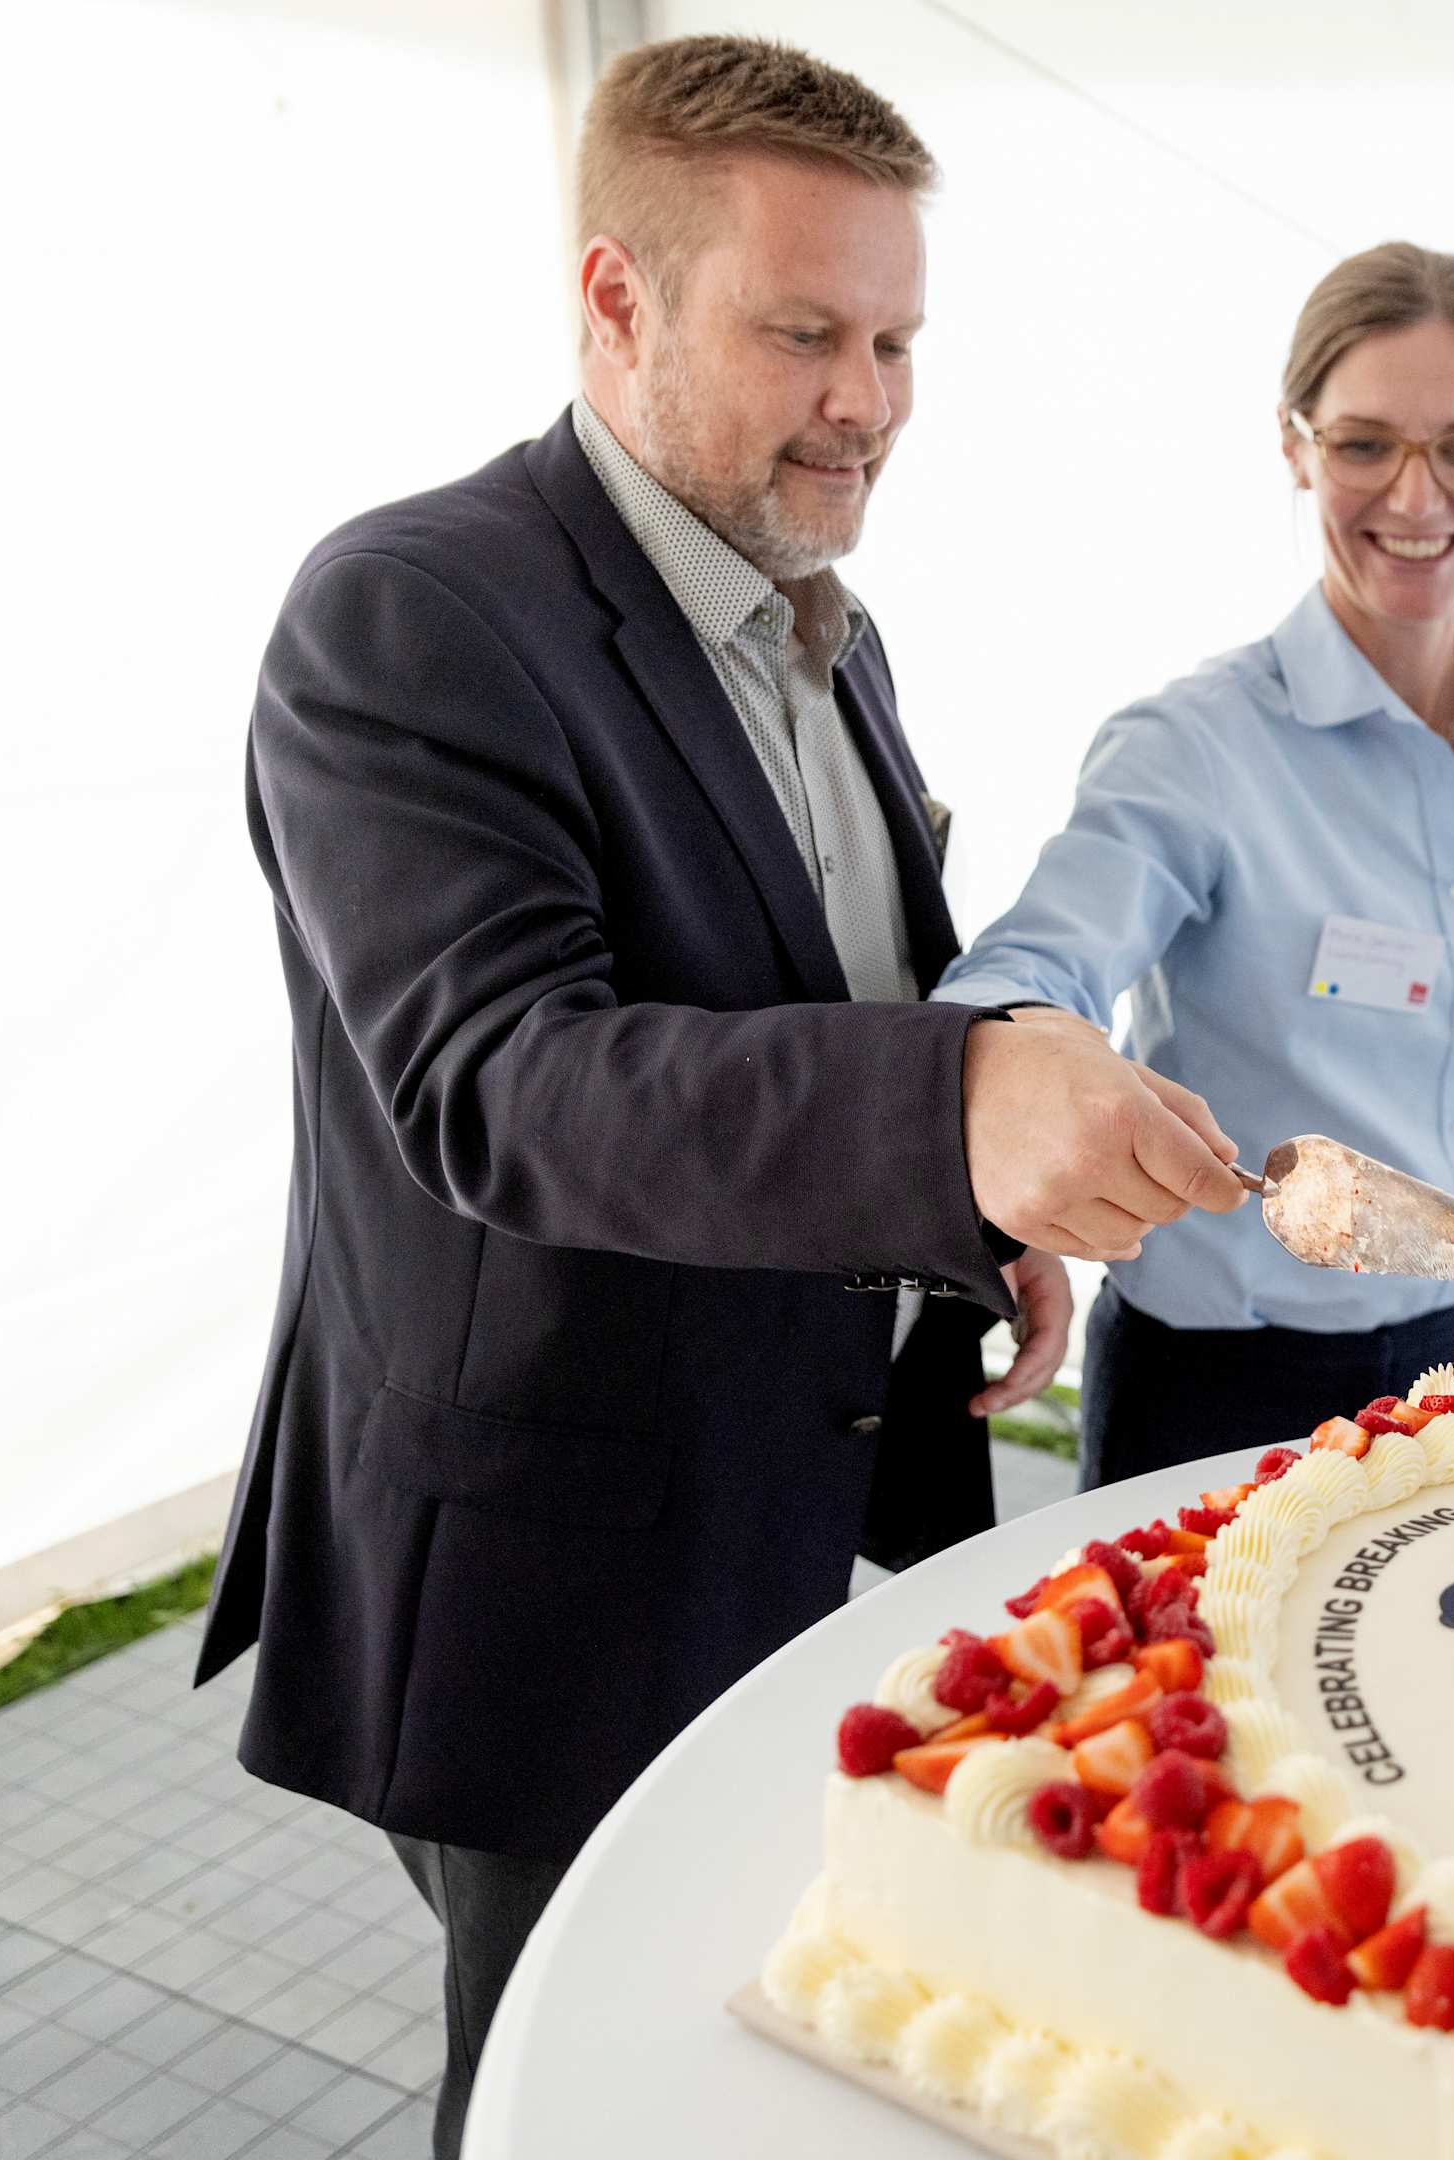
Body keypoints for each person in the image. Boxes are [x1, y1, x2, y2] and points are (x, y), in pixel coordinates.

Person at [193, 37, 1246, 2156]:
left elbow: (829, 1002)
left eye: (894, 339)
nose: (866, 397)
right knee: (560, 2101)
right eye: (803, 333)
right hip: (548, 1585)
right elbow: (505, 1082)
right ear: (615, 300)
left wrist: (963, 1230)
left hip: (785, 1514)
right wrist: (954, 1109)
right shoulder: (404, 614)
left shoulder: (826, 630)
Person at [938, 241, 1454, 1488]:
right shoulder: (1194, 750)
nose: (1418, 501)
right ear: (1296, 447)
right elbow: (1026, 970)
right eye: (1365, 445)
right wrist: (1002, 1107)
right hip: (1225, 1390)